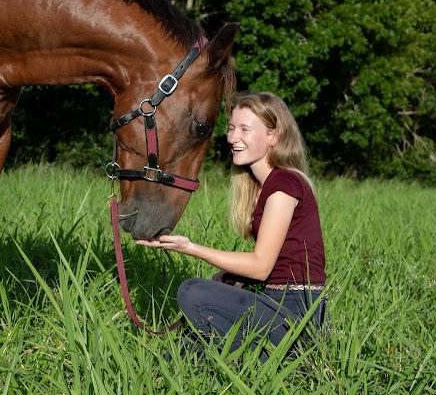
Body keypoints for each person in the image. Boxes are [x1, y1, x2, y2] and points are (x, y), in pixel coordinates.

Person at [136, 91, 327, 360]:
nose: (233, 138)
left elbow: (261, 267)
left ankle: (285, 354)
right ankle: (254, 358)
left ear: (273, 136)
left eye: (245, 129)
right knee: (187, 347)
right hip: (276, 304)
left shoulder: (285, 185)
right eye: (231, 128)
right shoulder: (263, 187)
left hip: (297, 312)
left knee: (192, 291)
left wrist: (190, 248)